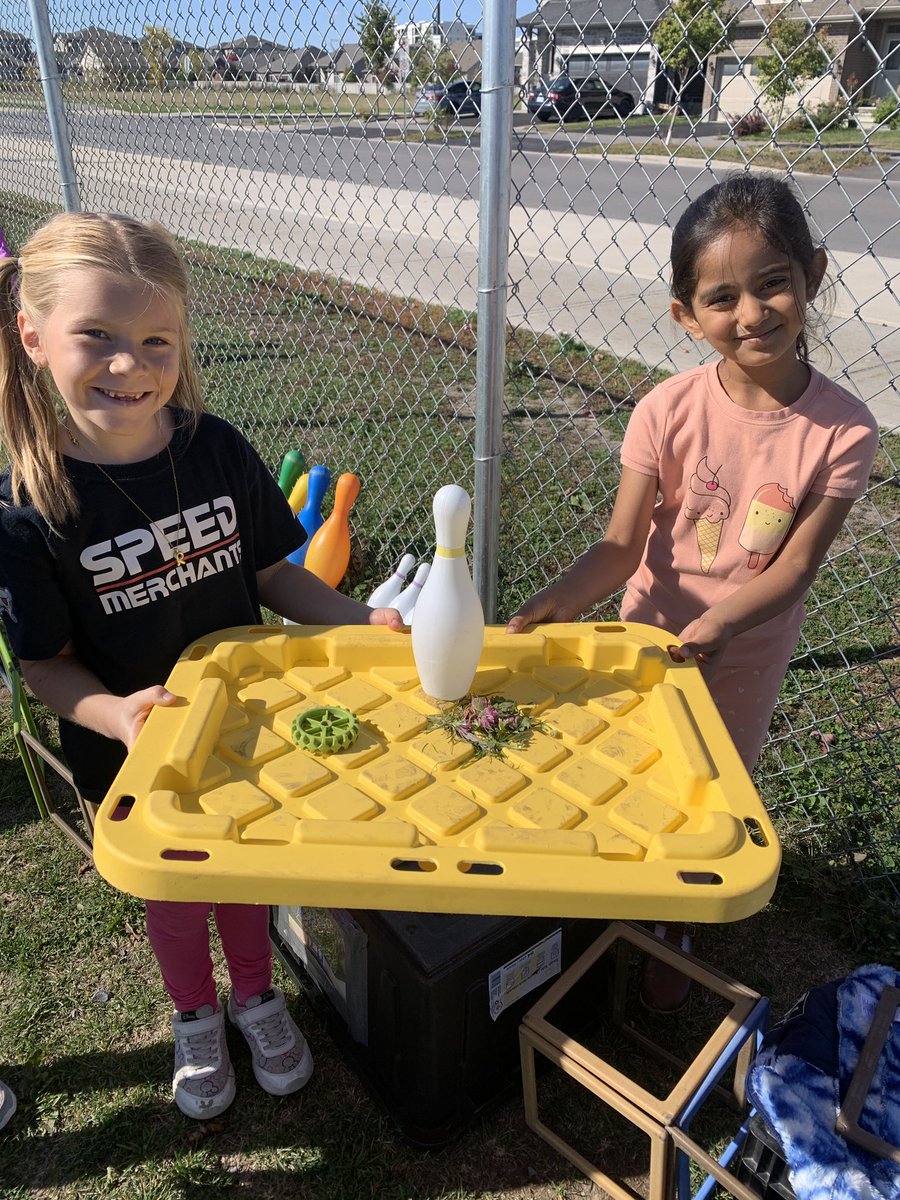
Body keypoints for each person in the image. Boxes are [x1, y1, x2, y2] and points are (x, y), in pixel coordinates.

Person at [0, 211, 404, 1119]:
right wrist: (118, 716)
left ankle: (256, 995)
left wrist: (359, 618)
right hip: (138, 755)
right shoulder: (29, 510)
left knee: (249, 874)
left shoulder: (215, 448)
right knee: (179, 892)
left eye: (156, 341)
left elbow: (272, 574)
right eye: (95, 337)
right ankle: (194, 1015)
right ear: (32, 336)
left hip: (249, 731)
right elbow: (46, 669)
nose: (128, 366)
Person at [506, 174, 880, 1009]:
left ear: (812, 275)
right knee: (634, 771)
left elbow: (792, 569)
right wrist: (559, 600)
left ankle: (677, 922)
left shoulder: (845, 429)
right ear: (687, 314)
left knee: (713, 788)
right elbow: (620, 544)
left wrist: (719, 622)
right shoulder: (664, 411)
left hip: (743, 650)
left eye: (772, 282)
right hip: (647, 640)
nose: (752, 313)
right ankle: (613, 897)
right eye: (722, 297)